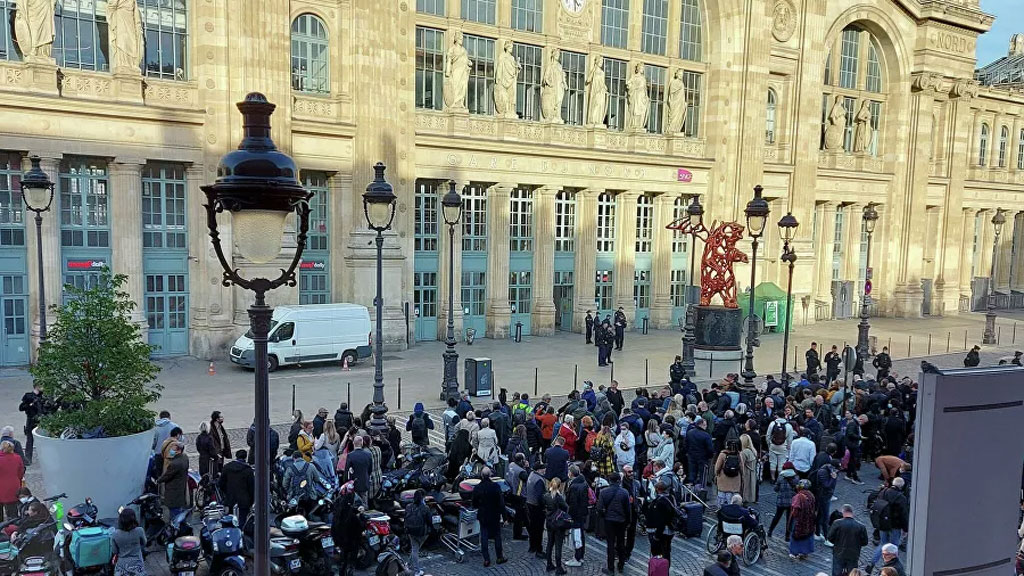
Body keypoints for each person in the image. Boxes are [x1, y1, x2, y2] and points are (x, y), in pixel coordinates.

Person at [867, 477, 909, 572]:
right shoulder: (901, 498)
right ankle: (891, 568)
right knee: (894, 547)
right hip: (895, 525)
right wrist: (906, 529)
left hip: (883, 523)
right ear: (902, 486)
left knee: (883, 543)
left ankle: (871, 563)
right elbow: (904, 515)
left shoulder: (883, 492)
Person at [471, 468, 507, 567]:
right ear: (490, 475)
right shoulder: (495, 486)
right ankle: (499, 557)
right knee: (497, 536)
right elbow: (501, 503)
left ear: (481, 476)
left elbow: (474, 502)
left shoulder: (478, 488)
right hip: (494, 514)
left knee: (484, 536)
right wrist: (505, 517)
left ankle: (486, 559)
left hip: (483, 515)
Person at [597, 472, 631, 576]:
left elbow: (599, 508)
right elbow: (627, 509)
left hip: (609, 521)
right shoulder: (624, 492)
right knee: (621, 544)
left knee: (610, 544)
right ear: (618, 481)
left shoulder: (604, 492)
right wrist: (628, 521)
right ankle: (621, 565)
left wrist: (604, 516)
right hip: (621, 521)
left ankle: (610, 568)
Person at [827, 504, 868, 576]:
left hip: (839, 552)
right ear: (852, 512)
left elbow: (830, 537)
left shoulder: (837, 523)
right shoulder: (861, 526)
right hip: (854, 554)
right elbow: (865, 542)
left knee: (837, 572)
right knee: (852, 573)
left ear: (843, 512)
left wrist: (837, 543)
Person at [332, 482, 363, 576]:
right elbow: (360, 527)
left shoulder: (338, 507)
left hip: (341, 539)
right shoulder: (352, 516)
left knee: (344, 558)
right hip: (350, 540)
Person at [219, 450, 254, 524]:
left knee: (230, 521)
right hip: (244, 501)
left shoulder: (227, 467)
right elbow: (252, 488)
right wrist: (251, 502)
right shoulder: (248, 470)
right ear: (245, 457)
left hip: (230, 499)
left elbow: (221, 483)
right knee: (242, 521)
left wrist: (227, 493)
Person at [645, 480, 677, 560]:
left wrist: (656, 536)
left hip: (661, 532)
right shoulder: (671, 497)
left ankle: (660, 570)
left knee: (659, 554)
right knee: (666, 552)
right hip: (669, 530)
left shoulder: (660, 502)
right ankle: (665, 570)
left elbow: (661, 520)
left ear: (657, 489)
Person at [157, 441, 189, 518]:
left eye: (173, 449)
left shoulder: (175, 463)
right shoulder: (184, 457)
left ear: (178, 450)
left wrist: (158, 480)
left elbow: (167, 476)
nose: (171, 450)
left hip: (173, 491)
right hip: (181, 489)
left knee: (174, 513)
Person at [111, 507, 147, 576]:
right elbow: (144, 543)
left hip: (122, 565)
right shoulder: (139, 530)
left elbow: (115, 551)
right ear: (134, 519)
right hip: (137, 563)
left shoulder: (115, 534)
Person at [543, 477, 569, 574]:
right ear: (559, 486)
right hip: (558, 523)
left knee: (550, 544)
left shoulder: (546, 496)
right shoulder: (558, 497)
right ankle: (559, 567)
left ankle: (549, 564)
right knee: (558, 546)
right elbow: (566, 507)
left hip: (549, 522)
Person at [404, 489, 431, 576]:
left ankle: (408, 564)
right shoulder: (425, 508)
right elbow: (429, 521)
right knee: (415, 549)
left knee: (414, 548)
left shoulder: (408, 506)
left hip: (410, 531)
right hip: (421, 532)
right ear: (423, 497)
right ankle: (417, 571)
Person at [767, 462, 797, 540]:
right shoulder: (796, 477)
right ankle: (787, 536)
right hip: (791, 502)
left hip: (781, 501)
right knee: (789, 519)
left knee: (777, 516)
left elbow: (775, 489)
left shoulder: (781, 477)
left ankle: (770, 531)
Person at [19, 383, 47, 466]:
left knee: (43, 439)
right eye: (41, 386)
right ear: (37, 386)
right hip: (31, 420)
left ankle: (45, 458)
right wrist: (30, 405)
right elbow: (21, 407)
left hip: (41, 420)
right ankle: (28, 459)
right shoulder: (29, 396)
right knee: (30, 440)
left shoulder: (42, 397)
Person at [788, 479, 817, 559]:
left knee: (796, 535)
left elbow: (795, 509)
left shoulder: (798, 496)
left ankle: (794, 552)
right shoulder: (811, 495)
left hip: (799, 520)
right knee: (807, 535)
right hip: (809, 520)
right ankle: (805, 552)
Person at [505, 453, 530, 540]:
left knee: (524, 514)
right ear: (521, 461)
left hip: (511, 492)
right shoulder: (521, 471)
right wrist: (527, 467)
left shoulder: (511, 465)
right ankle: (517, 535)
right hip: (519, 495)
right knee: (519, 516)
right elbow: (528, 478)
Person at [525, 463, 548, 557]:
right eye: (543, 469)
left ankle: (532, 546)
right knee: (538, 529)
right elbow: (540, 496)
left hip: (529, 504)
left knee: (532, 528)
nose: (545, 471)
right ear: (539, 470)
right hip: (537, 507)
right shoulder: (539, 480)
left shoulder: (531, 475)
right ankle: (539, 550)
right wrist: (544, 506)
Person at [685, 417, 714, 487]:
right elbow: (710, 448)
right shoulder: (706, 435)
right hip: (703, 457)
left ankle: (691, 489)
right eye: (705, 425)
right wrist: (710, 456)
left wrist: (688, 452)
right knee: (702, 475)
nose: (706, 426)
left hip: (691, 456)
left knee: (692, 472)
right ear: (701, 425)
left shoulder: (689, 433)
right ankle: (701, 491)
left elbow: (686, 444)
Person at [714, 440, 744, 507]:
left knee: (722, 497)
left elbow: (717, 467)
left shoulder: (723, 454)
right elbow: (742, 468)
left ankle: (721, 510)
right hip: (735, 481)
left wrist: (717, 475)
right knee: (734, 498)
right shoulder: (739, 454)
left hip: (723, 481)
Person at [343, 436, 372, 504]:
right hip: (364, 482)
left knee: (354, 503)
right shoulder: (368, 455)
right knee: (364, 502)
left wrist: (345, 482)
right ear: (362, 443)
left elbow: (346, 470)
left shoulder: (350, 455)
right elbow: (370, 469)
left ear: (353, 443)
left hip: (354, 483)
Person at [0, 441, 24, 521]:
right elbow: (21, 472)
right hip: (13, 487)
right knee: (12, 511)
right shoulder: (17, 458)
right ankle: (13, 528)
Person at [766, 415, 793, 482]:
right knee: (781, 463)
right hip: (783, 446)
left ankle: (772, 478)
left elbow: (768, 435)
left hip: (773, 445)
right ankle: (779, 479)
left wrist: (769, 444)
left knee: (773, 462)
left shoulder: (772, 424)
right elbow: (790, 439)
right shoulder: (788, 425)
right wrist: (788, 447)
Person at [843, 411, 865, 484]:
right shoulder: (853, 424)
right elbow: (851, 434)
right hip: (852, 444)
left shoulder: (853, 423)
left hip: (851, 444)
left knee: (851, 460)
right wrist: (860, 437)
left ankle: (849, 475)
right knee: (853, 461)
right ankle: (854, 477)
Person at [209, 411, 231, 475]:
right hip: (217, 453)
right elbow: (212, 442)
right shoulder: (211, 428)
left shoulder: (220, 426)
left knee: (221, 468)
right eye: (221, 417)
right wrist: (216, 453)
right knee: (216, 470)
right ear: (217, 419)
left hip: (222, 451)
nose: (222, 418)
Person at [739, 434, 758, 504]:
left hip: (746, 473)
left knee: (745, 489)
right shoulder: (753, 451)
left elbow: (741, 464)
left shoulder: (744, 452)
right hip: (752, 473)